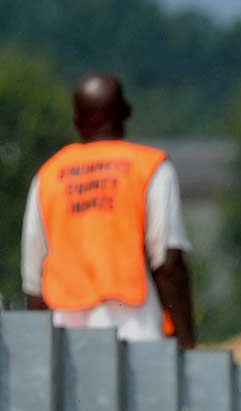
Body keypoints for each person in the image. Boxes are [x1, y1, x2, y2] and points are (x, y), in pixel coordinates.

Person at [21, 73, 195, 348]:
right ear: (126, 112)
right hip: (136, 332)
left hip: (64, 340)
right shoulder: (151, 168)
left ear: (77, 120)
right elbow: (169, 264)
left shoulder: (48, 175)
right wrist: (187, 343)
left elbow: (34, 282)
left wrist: (40, 352)